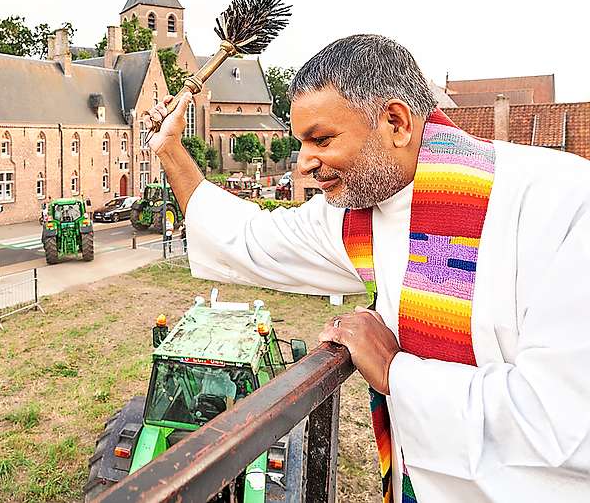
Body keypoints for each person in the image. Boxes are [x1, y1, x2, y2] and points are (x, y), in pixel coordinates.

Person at [146, 34, 590, 502]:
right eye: (301, 143)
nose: (303, 164)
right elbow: (249, 239)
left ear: (395, 123)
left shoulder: (561, 205)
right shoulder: (359, 214)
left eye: (321, 139)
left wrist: (395, 371)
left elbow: (565, 420)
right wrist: (171, 150)